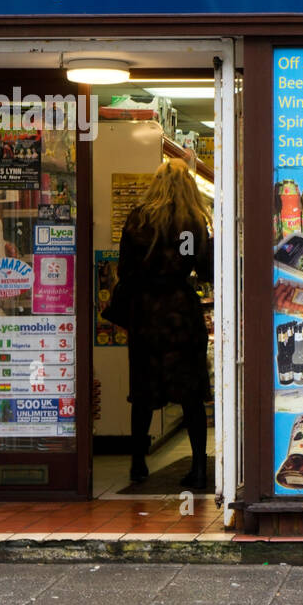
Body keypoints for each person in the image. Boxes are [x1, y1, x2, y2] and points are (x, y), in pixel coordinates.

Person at [116, 157, 214, 488]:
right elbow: (205, 270)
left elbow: (124, 270)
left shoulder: (138, 220)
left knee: (142, 393)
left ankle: (137, 464)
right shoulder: (193, 222)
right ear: (188, 186)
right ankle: (200, 468)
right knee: (191, 394)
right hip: (181, 314)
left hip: (145, 314)